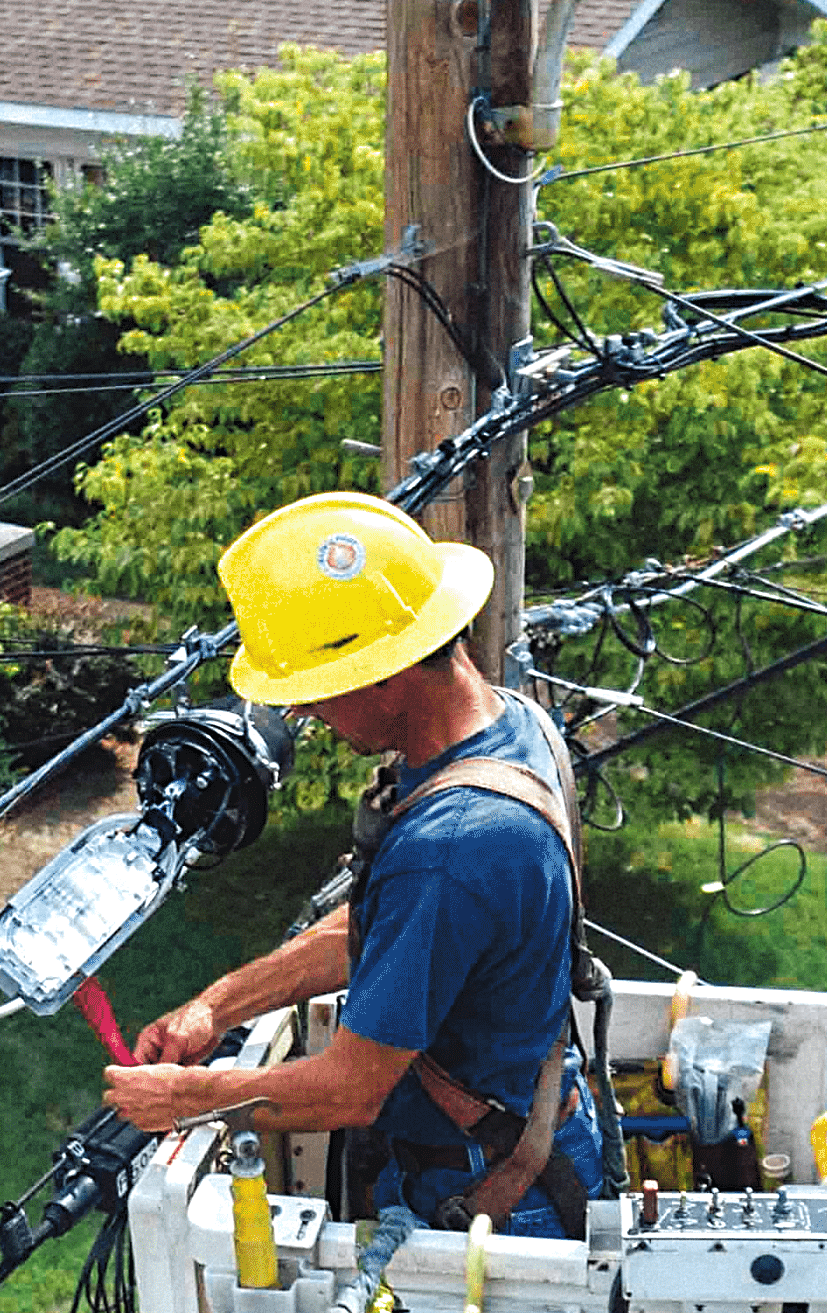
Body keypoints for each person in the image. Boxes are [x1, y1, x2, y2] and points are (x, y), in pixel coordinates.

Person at [101, 491, 605, 1238]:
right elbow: (382, 932)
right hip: (523, 1143)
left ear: (383, 674)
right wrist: (219, 1004)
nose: (309, 717)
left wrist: (183, 1098)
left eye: (316, 694)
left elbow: (348, 1091)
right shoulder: (509, 724)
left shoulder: (452, 847)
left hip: (490, 1199)